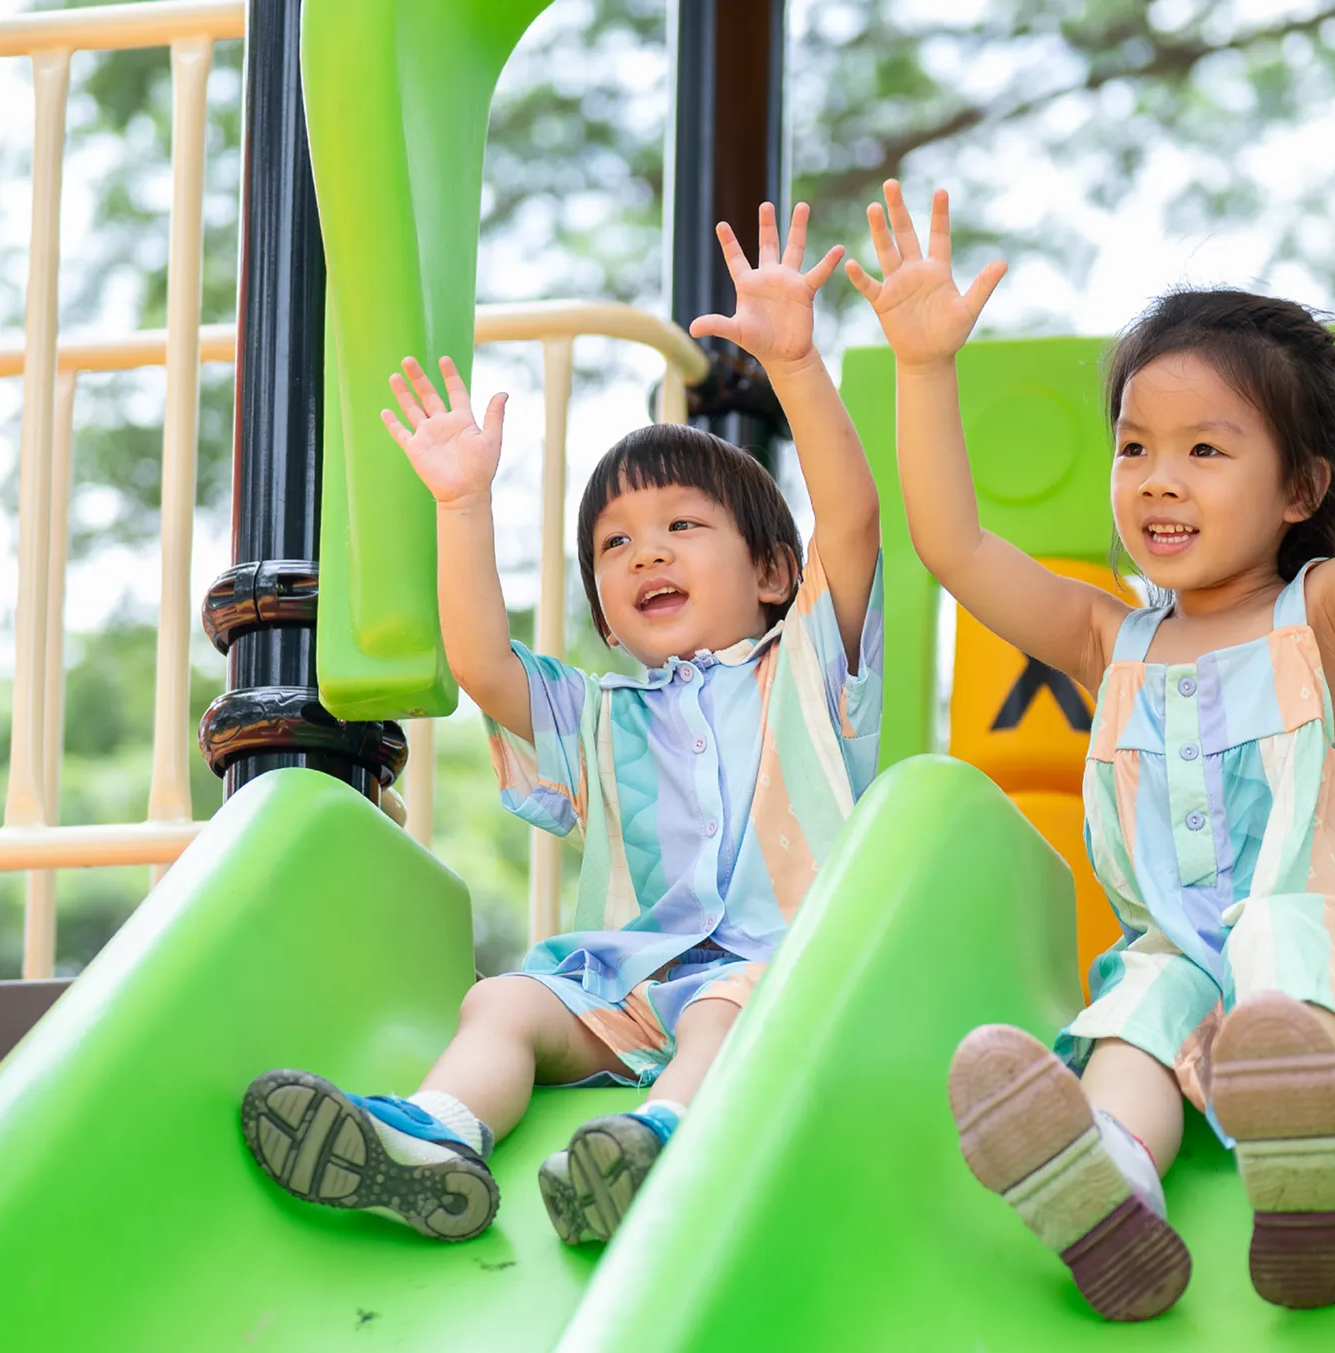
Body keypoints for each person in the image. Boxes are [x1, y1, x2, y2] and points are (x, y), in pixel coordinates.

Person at [849, 177, 1335, 1318]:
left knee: (1280, 940)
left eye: (1204, 450)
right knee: (1136, 1010)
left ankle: (1304, 1145)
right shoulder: (1109, 639)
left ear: (1301, 488)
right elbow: (955, 547)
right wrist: (924, 368)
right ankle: (1110, 1184)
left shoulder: (1323, 617)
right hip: (1181, 951)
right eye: (1134, 447)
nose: (1158, 478)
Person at [241, 201, 882, 1245]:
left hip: (776, 980)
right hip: (624, 987)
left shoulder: (810, 665)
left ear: (774, 572)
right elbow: (482, 664)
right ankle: (439, 1137)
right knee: (504, 1003)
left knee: (725, 1007)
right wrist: (462, 505)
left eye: (682, 525)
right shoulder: (598, 717)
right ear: (608, 616)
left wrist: (796, 365)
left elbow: (850, 521)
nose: (646, 553)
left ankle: (666, 1140)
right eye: (615, 545)